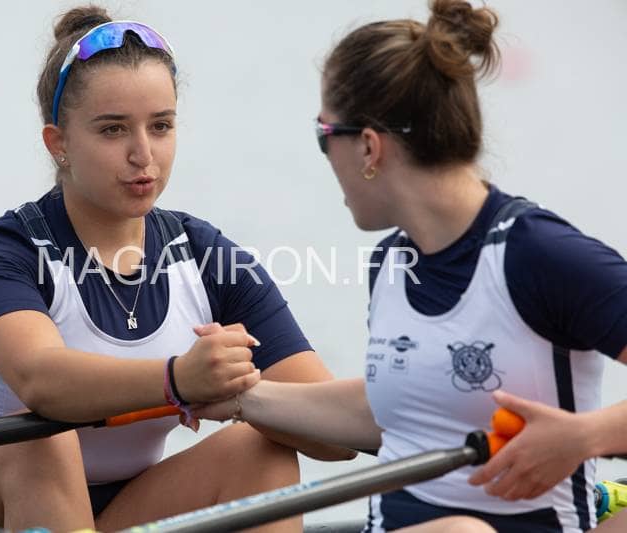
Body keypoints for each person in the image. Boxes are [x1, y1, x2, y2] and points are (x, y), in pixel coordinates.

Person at [0, 6, 355, 533]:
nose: (143, 154)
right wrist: (180, 379)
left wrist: (243, 397)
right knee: (40, 440)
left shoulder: (207, 257)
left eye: (160, 126)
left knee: (259, 448)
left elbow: (337, 435)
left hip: (106, 515)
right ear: (59, 144)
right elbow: (43, 383)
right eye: (114, 129)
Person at [194, 0, 627, 531]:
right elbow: (400, 414)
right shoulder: (392, 263)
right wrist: (240, 397)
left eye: (323, 134)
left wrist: (586, 437)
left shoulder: (540, 254)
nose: (324, 155)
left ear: (369, 147)